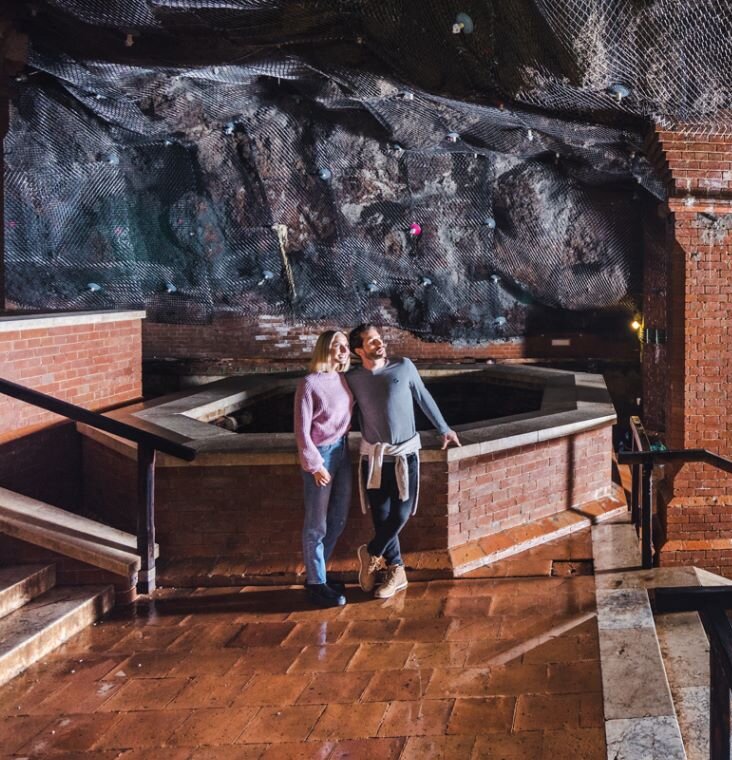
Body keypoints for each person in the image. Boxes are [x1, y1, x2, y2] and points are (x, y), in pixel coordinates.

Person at [347, 324, 460, 599]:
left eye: (379, 339)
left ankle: (371, 551)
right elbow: (337, 409)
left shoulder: (403, 366)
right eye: (371, 342)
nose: (379, 344)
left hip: (405, 454)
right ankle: (396, 571)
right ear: (359, 350)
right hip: (374, 457)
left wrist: (444, 428)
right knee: (381, 516)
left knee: (401, 513)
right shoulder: (353, 379)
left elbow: (424, 398)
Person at [294, 330, 354, 608]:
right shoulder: (309, 384)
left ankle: (319, 574)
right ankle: (316, 583)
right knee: (316, 524)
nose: (343, 350)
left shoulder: (341, 378)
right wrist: (315, 465)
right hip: (322, 456)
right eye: (336, 345)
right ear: (323, 349)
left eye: (345, 345)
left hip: (342, 451)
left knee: (339, 518)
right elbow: (302, 432)